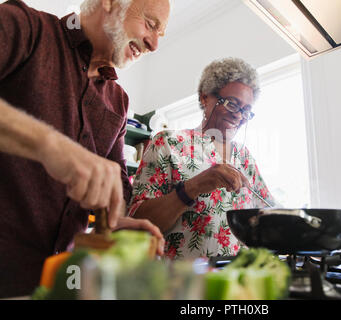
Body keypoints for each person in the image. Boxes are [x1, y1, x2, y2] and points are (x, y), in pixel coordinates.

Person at [0, 0, 170, 298]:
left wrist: (116, 223)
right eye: (150, 24)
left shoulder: (119, 101)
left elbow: (116, 185)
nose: (154, 45)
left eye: (161, 35)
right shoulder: (25, 27)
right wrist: (50, 144)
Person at [129, 57, 276, 259]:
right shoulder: (169, 143)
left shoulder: (245, 158)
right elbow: (137, 225)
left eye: (246, 110)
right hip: (179, 284)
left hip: (235, 284)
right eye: (232, 104)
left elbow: (270, 216)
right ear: (204, 98)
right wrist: (194, 187)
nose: (239, 116)